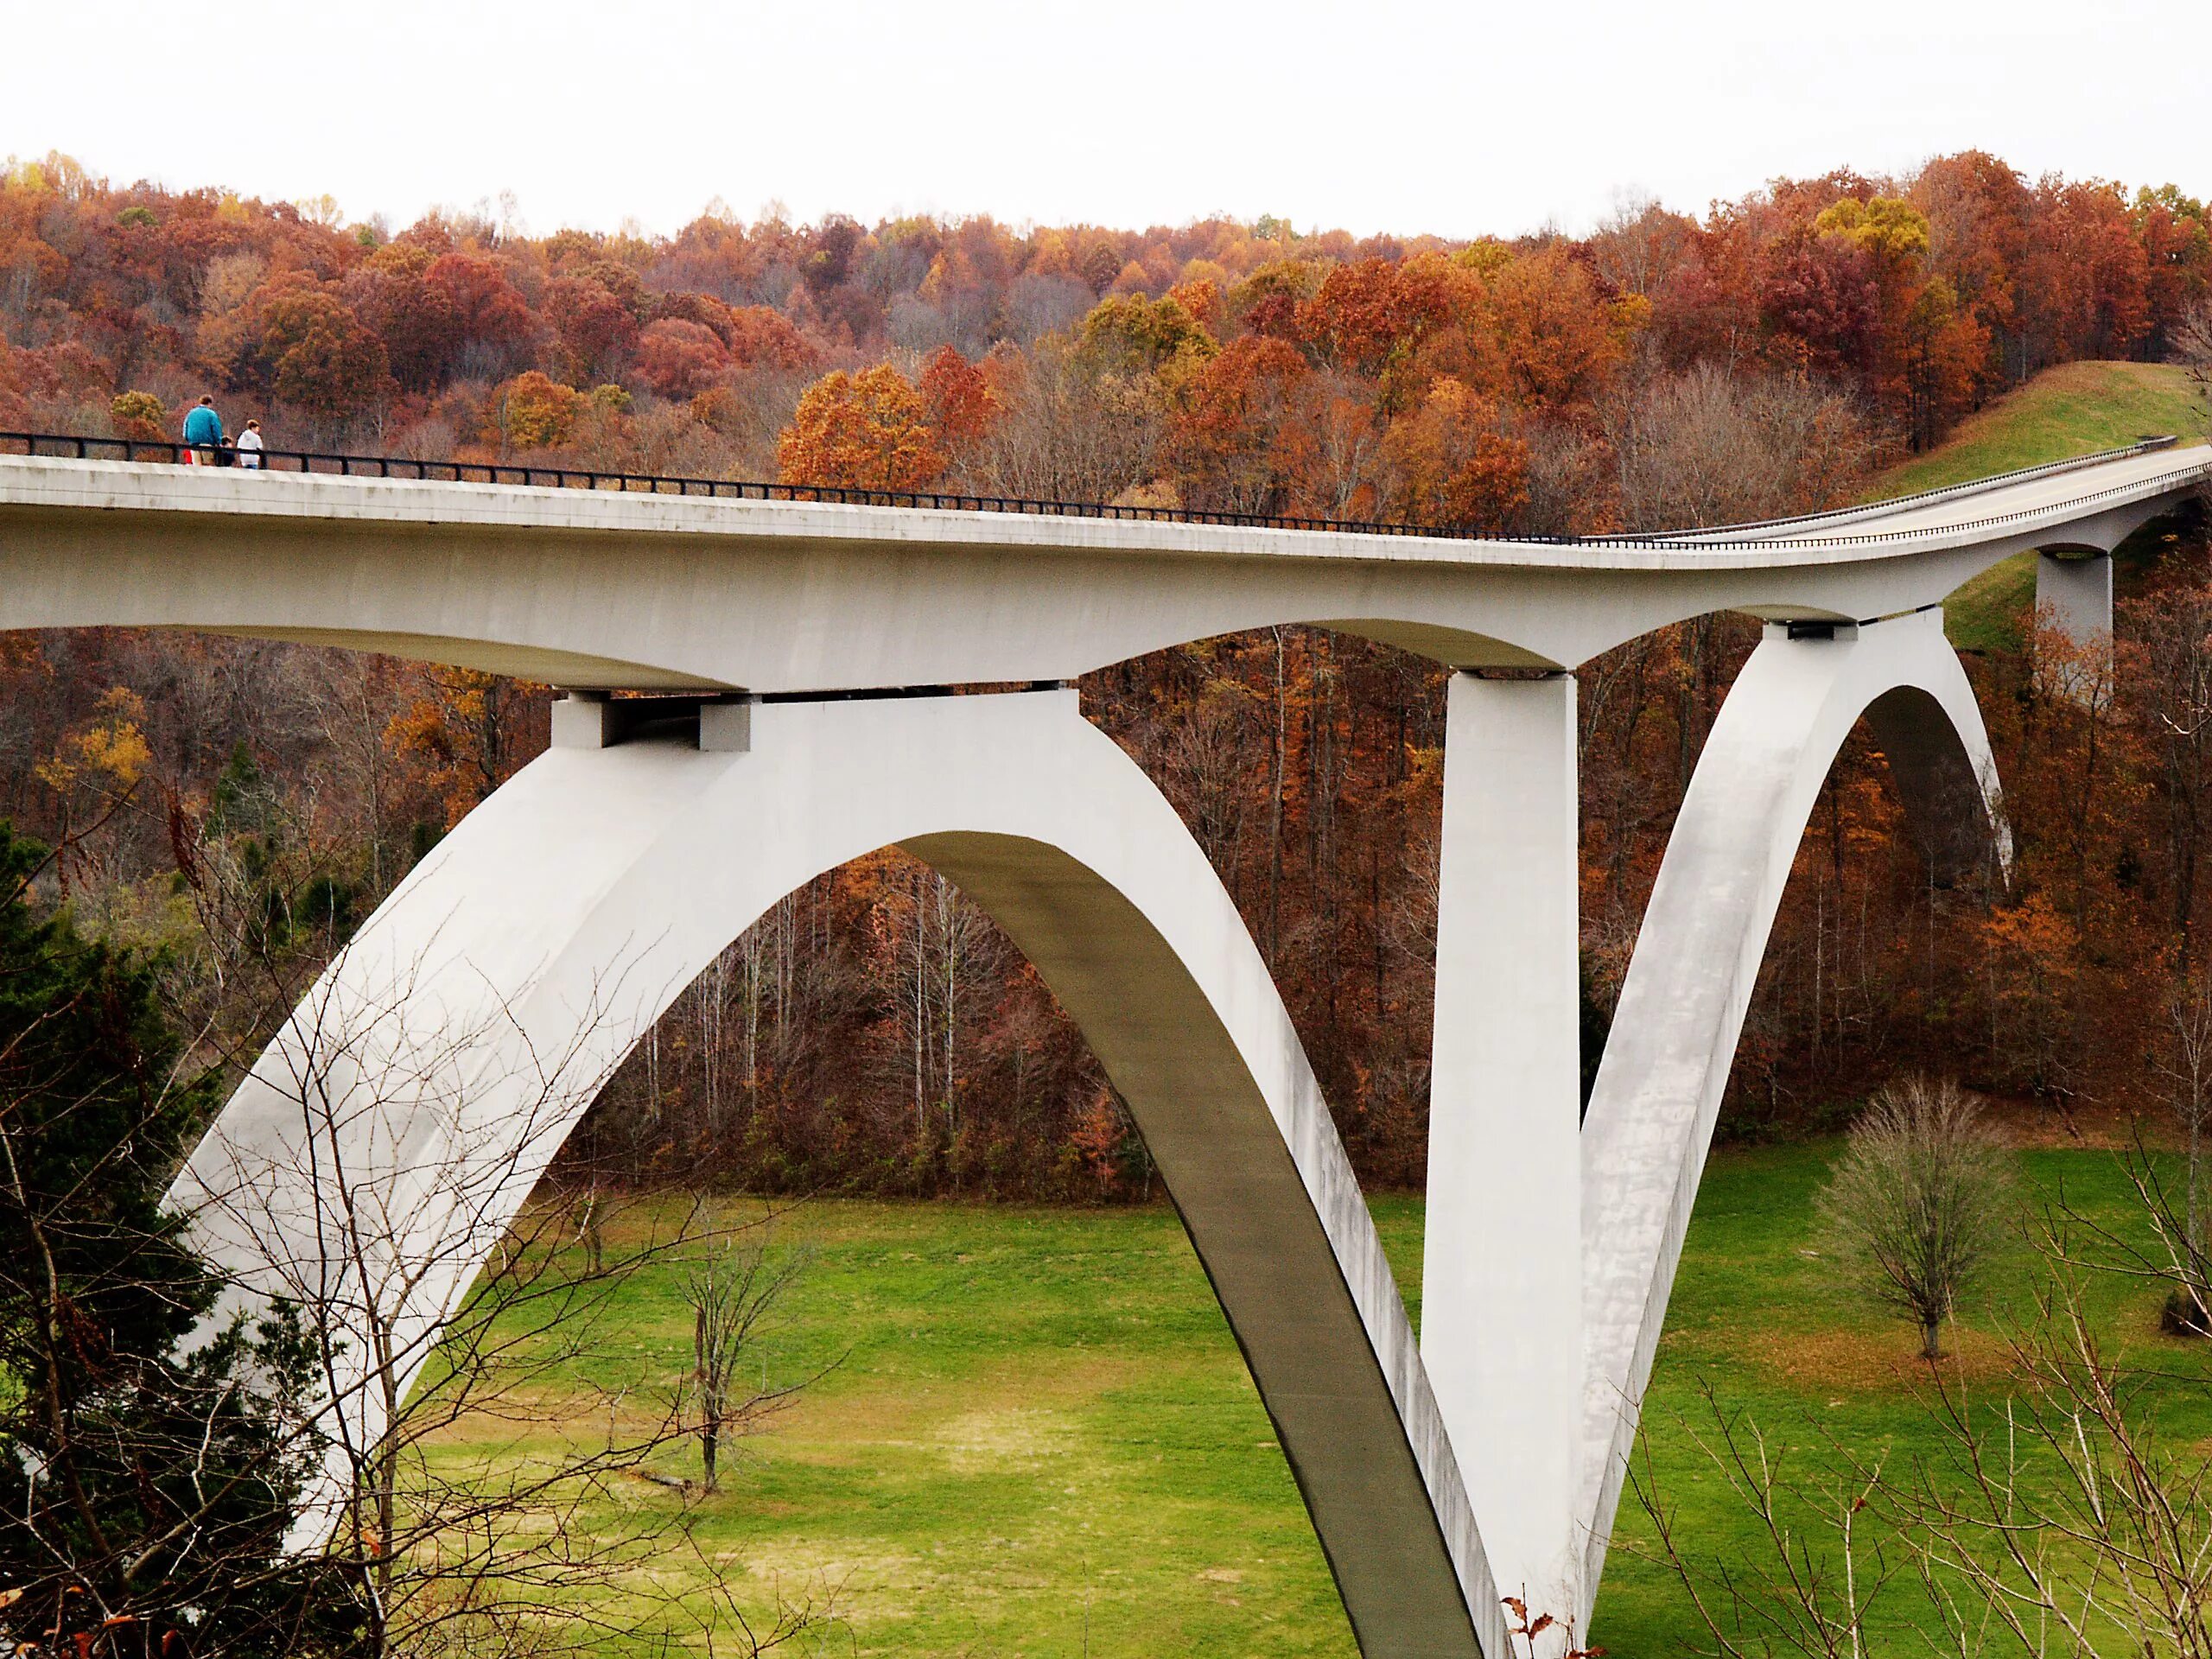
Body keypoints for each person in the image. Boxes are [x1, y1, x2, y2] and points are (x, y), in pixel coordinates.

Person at [181, 395, 225, 464]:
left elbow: (186, 427)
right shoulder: (211, 414)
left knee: (197, 467)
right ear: (209, 403)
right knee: (208, 466)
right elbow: (216, 429)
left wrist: (188, 438)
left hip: (193, 443)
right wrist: (219, 442)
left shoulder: (191, 413)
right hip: (207, 443)